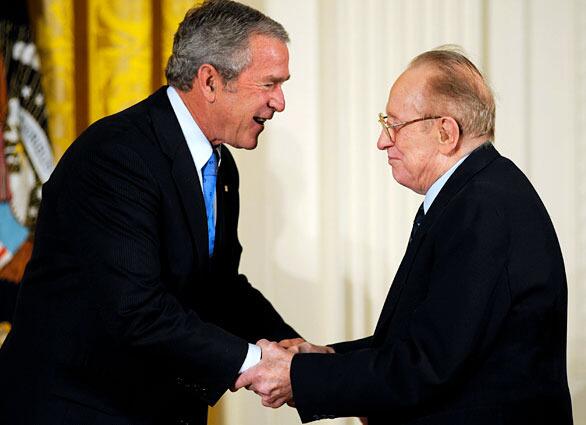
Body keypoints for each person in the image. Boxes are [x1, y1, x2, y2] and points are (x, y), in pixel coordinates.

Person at [235, 46, 574, 425]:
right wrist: (326, 357)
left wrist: (298, 377)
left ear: (446, 131)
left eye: (393, 125)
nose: (382, 141)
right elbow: (422, 342)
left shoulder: (482, 209)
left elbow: (428, 366)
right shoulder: (472, 195)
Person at [0, 1, 300, 424]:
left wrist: (290, 345)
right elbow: (136, 310)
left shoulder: (218, 164)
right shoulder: (119, 157)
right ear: (210, 81)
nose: (280, 102)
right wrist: (255, 362)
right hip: (76, 407)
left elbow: (218, 286)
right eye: (269, 84)